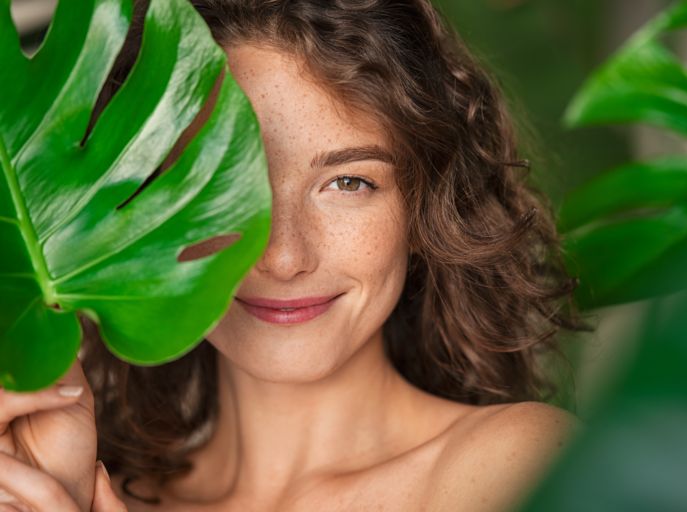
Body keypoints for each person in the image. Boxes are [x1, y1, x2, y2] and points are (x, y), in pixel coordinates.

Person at [0, 1, 582, 510]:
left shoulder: (521, 468)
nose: (282, 257)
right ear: (142, 209)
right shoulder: (75, 496)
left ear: (423, 206)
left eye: (348, 183)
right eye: (222, 189)